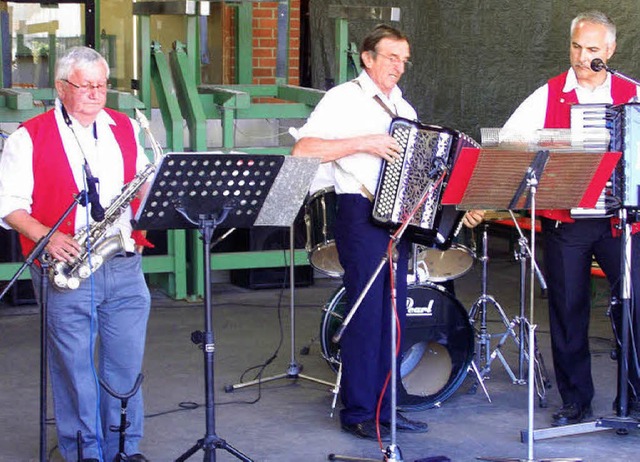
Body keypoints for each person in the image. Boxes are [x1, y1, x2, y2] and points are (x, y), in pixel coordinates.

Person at [292, 24, 483, 441]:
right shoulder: (343, 98)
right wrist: (364, 142)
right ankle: (359, 411)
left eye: (403, 59)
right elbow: (303, 150)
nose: (399, 66)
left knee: (393, 318)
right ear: (368, 58)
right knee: (366, 315)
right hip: (359, 212)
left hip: (397, 218)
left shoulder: (405, 109)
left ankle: (388, 407)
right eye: (391, 57)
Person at [0, 46, 152, 461]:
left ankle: (124, 447)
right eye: (86, 85)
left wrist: (149, 193)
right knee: (76, 370)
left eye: (102, 85)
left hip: (123, 262)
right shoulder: (27, 136)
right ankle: (84, 451)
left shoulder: (123, 126)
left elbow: (140, 183)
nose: (96, 93)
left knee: (125, 365)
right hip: (67, 264)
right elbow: (8, 204)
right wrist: (47, 236)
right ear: (62, 87)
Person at [502, 10, 640, 427]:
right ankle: (576, 400)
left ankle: (634, 398)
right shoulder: (549, 94)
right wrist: (554, 143)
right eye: (577, 47)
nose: (582, 57)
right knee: (567, 309)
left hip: (621, 221)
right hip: (568, 218)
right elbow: (508, 140)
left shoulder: (632, 93)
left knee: (635, 307)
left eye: (593, 49)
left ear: (611, 50)